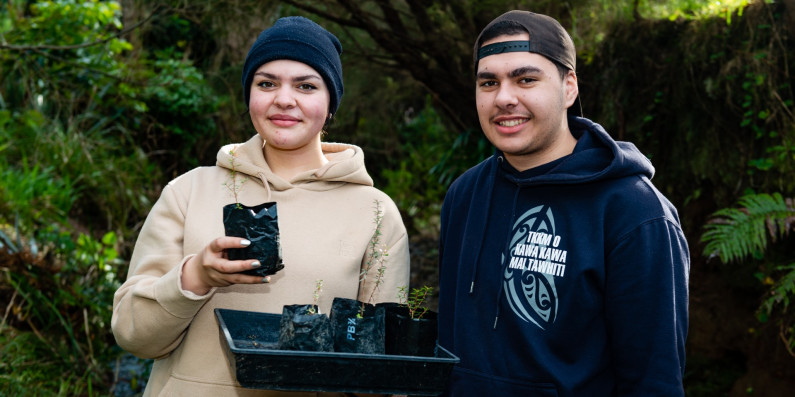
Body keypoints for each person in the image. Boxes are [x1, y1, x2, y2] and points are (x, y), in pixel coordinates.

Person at [112, 16, 410, 396]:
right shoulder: (188, 191)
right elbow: (133, 336)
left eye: (306, 85)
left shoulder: (375, 213)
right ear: (249, 94)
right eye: (266, 83)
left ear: (331, 101)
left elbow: (383, 367)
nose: (284, 99)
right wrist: (196, 277)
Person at [437, 10, 690, 396]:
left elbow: (653, 381)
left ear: (569, 87)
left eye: (526, 79)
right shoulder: (464, 195)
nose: (504, 98)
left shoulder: (635, 213)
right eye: (489, 82)